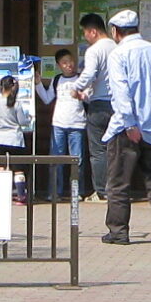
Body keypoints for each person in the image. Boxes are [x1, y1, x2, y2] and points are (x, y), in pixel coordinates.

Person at [99, 8, 151, 245]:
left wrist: (129, 123)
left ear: (115, 31)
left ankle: (118, 231)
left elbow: (120, 91)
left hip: (128, 127)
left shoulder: (118, 54)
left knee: (118, 181)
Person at [75, 12, 117, 197]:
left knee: (99, 151)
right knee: (115, 150)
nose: (85, 36)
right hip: (118, 106)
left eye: (85, 32)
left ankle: (102, 191)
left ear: (92, 32)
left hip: (99, 106)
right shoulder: (118, 47)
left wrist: (76, 88)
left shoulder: (94, 50)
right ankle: (117, 189)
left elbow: (89, 73)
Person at [41, 47, 85, 201]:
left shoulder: (81, 79)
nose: (69, 65)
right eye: (65, 62)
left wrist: (82, 96)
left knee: (77, 161)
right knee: (56, 160)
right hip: (58, 124)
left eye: (71, 61)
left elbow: (89, 98)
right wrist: (37, 84)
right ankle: (55, 192)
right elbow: (47, 98)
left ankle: (76, 192)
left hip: (78, 124)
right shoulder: (56, 80)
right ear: (59, 65)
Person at [0, 73, 30, 162]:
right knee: (18, 169)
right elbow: (22, 122)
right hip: (15, 139)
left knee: (2, 168)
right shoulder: (16, 104)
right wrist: (29, 119)